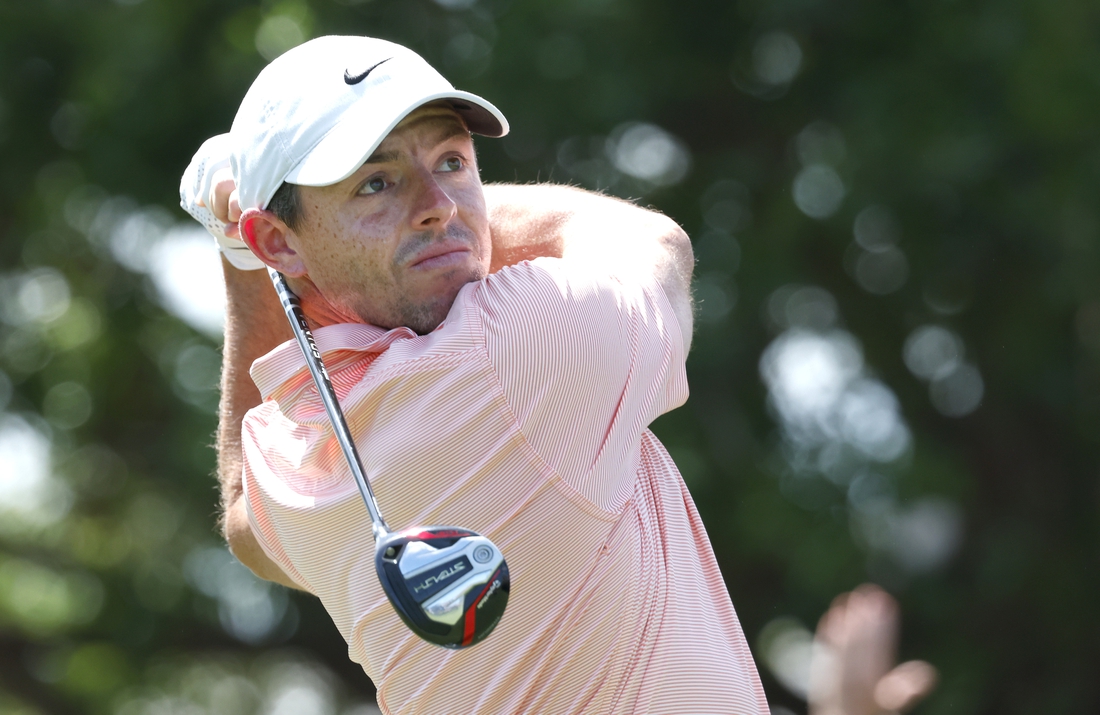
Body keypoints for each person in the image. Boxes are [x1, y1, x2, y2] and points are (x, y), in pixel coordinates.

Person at [181, 36, 769, 714]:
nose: (441, 204)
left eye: (453, 161)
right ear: (280, 240)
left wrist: (242, 254)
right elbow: (649, 240)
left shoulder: (295, 458)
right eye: (377, 181)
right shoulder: (526, 342)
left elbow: (245, 526)